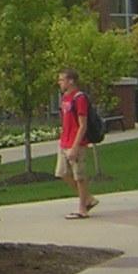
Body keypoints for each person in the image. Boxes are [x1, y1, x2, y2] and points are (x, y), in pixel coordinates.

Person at [55, 67, 97, 219]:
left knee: (79, 176)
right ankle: (88, 199)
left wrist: (75, 146)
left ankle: (82, 208)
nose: (59, 82)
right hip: (64, 141)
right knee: (62, 173)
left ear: (71, 81)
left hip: (76, 143)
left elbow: (83, 125)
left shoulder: (79, 98)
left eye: (62, 79)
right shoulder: (65, 97)